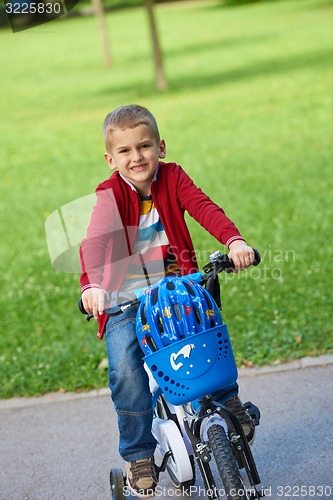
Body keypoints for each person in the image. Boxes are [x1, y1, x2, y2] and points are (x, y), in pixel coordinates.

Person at [80, 104, 256, 498]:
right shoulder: (109, 195)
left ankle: (229, 402)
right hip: (124, 297)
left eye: (144, 146)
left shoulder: (172, 177)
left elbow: (203, 207)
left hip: (177, 287)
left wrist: (234, 240)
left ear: (160, 146)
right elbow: (94, 242)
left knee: (206, 333)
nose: (136, 156)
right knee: (126, 368)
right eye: (125, 151)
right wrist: (93, 285)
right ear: (111, 159)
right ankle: (139, 453)